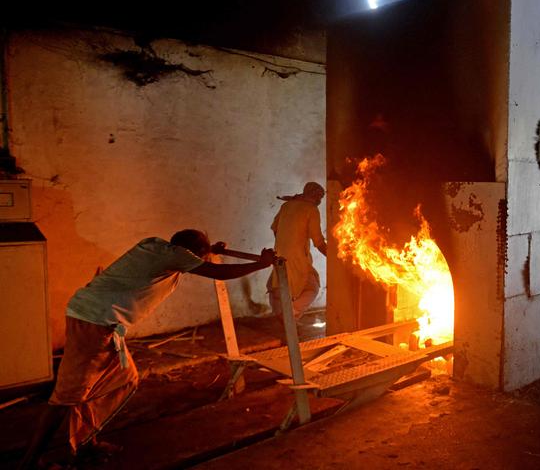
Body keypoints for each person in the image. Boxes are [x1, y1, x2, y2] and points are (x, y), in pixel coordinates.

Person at [20, 229, 275, 469]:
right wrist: (261, 264)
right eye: (201, 254)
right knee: (67, 395)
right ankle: (30, 462)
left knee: (120, 378)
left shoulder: (156, 247)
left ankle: (86, 442)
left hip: (97, 320)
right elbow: (217, 273)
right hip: (94, 323)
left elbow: (196, 260)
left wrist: (210, 251)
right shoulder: (176, 256)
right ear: (191, 252)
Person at [267, 182, 327, 325]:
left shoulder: (286, 205)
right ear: (315, 196)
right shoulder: (311, 209)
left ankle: (282, 315)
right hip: (298, 257)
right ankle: (290, 314)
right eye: (319, 197)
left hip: (279, 253)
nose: (320, 201)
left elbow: (275, 229)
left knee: (277, 284)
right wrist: (334, 258)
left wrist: (284, 244)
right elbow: (318, 241)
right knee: (312, 287)